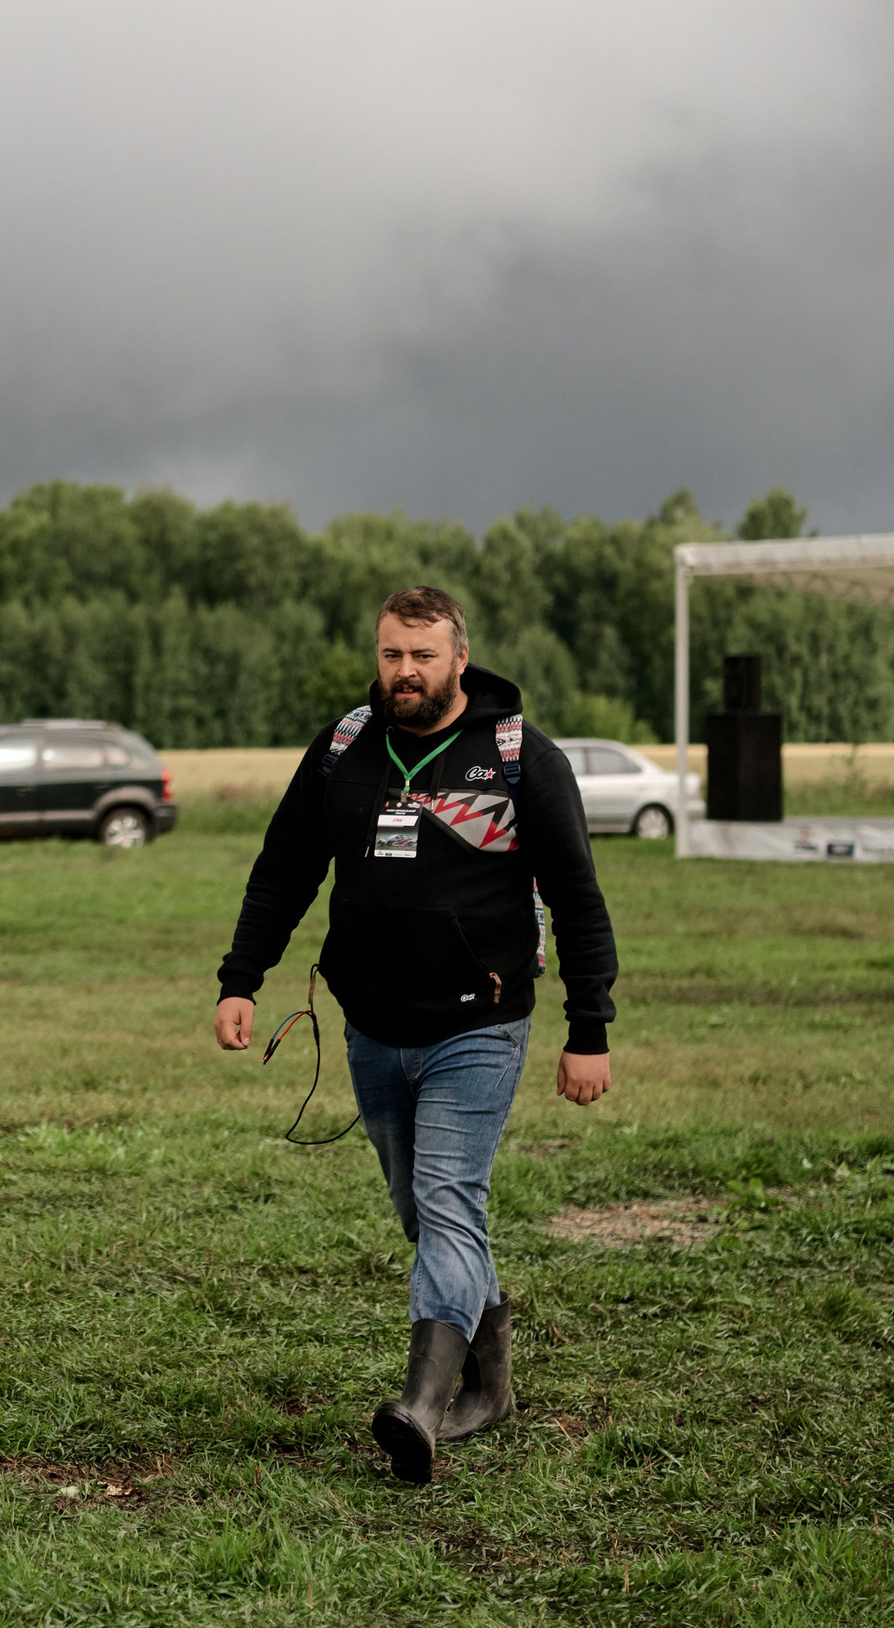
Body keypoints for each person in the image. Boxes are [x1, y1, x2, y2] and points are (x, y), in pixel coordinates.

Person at [214, 586, 619, 1486]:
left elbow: (578, 897)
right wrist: (241, 979)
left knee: (445, 1197)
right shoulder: (344, 747)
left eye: (423, 656)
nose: (405, 672)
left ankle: (421, 1407)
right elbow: (283, 870)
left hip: (480, 1023)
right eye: (392, 653)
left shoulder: (519, 756)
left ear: (458, 660)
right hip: (372, 1027)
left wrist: (588, 1025)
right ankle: (492, 1377)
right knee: (423, 1209)